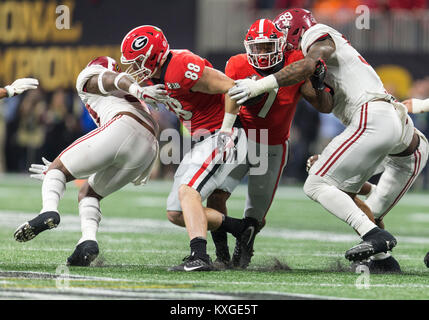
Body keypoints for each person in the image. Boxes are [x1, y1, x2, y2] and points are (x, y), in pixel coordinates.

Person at [226, 8, 421, 262]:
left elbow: (307, 65)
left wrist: (260, 84)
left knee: (316, 183)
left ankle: (375, 236)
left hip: (371, 116)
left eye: (282, 35)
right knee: (344, 192)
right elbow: (325, 104)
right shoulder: (322, 53)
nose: (281, 43)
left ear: (294, 32)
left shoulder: (315, 35)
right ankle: (383, 260)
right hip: (395, 126)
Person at [120, 25, 253, 272]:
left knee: (188, 191)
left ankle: (199, 256)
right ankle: (239, 229)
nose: (135, 68)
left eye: (138, 61)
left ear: (153, 55)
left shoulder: (181, 66)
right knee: (175, 212)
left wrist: (225, 129)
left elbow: (233, 87)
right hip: (203, 139)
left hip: (223, 134)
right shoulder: (152, 78)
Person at [14, 56, 167, 266]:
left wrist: (57, 173)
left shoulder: (93, 77)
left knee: (56, 169)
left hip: (125, 126)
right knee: (89, 192)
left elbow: (110, 78)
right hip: (148, 148)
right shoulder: (128, 94)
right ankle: (88, 241)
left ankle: (48, 210)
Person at [206, 18, 334, 269]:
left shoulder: (295, 60)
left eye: (268, 47)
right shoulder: (237, 63)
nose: (263, 53)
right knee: (215, 195)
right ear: (248, 47)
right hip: (242, 140)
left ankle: (243, 254)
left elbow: (323, 106)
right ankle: (221, 256)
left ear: (281, 45)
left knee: (255, 215)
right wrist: (225, 131)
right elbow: (228, 101)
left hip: (273, 146)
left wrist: (319, 86)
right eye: (258, 47)